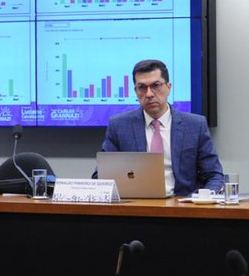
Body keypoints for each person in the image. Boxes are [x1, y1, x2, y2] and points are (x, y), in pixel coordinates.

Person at [95, 59, 224, 196]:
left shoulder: (195, 125)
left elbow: (214, 176)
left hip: (183, 207)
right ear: (135, 91)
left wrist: (203, 199)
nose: (149, 94)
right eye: (142, 87)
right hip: (136, 207)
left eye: (156, 85)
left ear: (168, 87)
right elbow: (101, 176)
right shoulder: (119, 125)